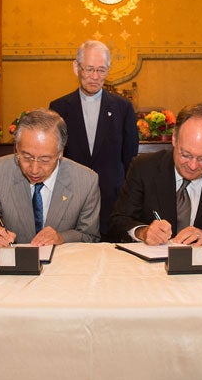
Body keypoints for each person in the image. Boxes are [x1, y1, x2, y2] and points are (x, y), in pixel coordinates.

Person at [109, 103, 202, 245]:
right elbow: (118, 222)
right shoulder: (144, 168)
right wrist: (142, 232)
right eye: (186, 155)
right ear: (174, 138)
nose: (193, 166)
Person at [0, 109, 101, 247]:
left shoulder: (86, 181)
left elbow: (90, 236)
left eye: (45, 159)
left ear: (60, 153)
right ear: (16, 148)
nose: (34, 169)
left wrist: (62, 237)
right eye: (26, 157)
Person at [49, 40, 138, 241]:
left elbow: (130, 158)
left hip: (111, 201)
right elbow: (55, 157)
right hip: (71, 199)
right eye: (89, 69)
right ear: (76, 67)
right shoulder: (59, 107)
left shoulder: (123, 108)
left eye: (101, 70)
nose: (95, 77)